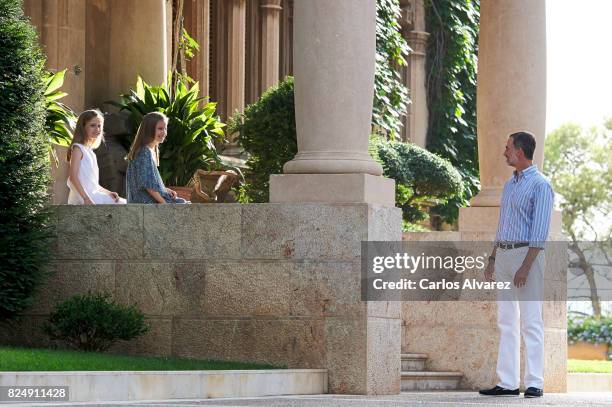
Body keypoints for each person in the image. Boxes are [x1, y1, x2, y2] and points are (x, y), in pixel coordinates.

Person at [479, 131, 554, 399]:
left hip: (528, 257)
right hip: (505, 257)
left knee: (531, 320)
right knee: (506, 320)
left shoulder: (541, 185)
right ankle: (508, 383)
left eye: (508, 147)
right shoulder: (510, 185)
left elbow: (540, 231)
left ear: (520, 152)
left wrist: (526, 266)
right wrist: (492, 257)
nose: (504, 152)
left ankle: (535, 382)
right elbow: (502, 226)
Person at [125, 112, 188, 204]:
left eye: (165, 128)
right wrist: (164, 203)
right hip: (145, 203)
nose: (164, 132)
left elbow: (150, 183)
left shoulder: (149, 151)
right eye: (160, 129)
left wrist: (165, 190)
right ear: (149, 130)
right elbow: (148, 185)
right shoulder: (144, 152)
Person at [67, 110, 126, 205]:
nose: (97, 129)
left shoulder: (90, 151)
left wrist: (108, 193)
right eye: (92, 125)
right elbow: (72, 177)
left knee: (123, 202)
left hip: (93, 195)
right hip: (82, 197)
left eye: (99, 126)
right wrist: (86, 198)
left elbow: (93, 185)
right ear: (83, 127)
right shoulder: (78, 148)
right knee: (123, 204)